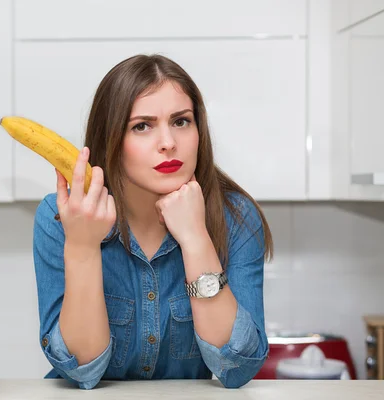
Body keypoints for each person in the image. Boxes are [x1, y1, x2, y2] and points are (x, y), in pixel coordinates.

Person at [32, 53, 274, 390]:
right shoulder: (60, 217)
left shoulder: (236, 216)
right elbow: (82, 371)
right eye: (142, 126)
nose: (168, 143)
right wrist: (83, 246)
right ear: (111, 140)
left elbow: (237, 366)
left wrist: (195, 239)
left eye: (181, 121)